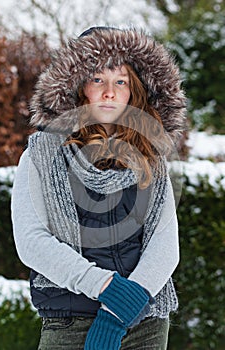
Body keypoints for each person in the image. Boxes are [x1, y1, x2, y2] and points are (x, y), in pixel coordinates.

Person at [11, 26, 186, 350]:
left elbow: (165, 245)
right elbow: (32, 242)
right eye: (97, 79)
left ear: (133, 90)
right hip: (69, 322)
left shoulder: (152, 158)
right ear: (78, 87)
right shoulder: (41, 157)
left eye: (120, 81)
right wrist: (106, 288)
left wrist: (116, 315)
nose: (109, 92)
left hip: (143, 323)